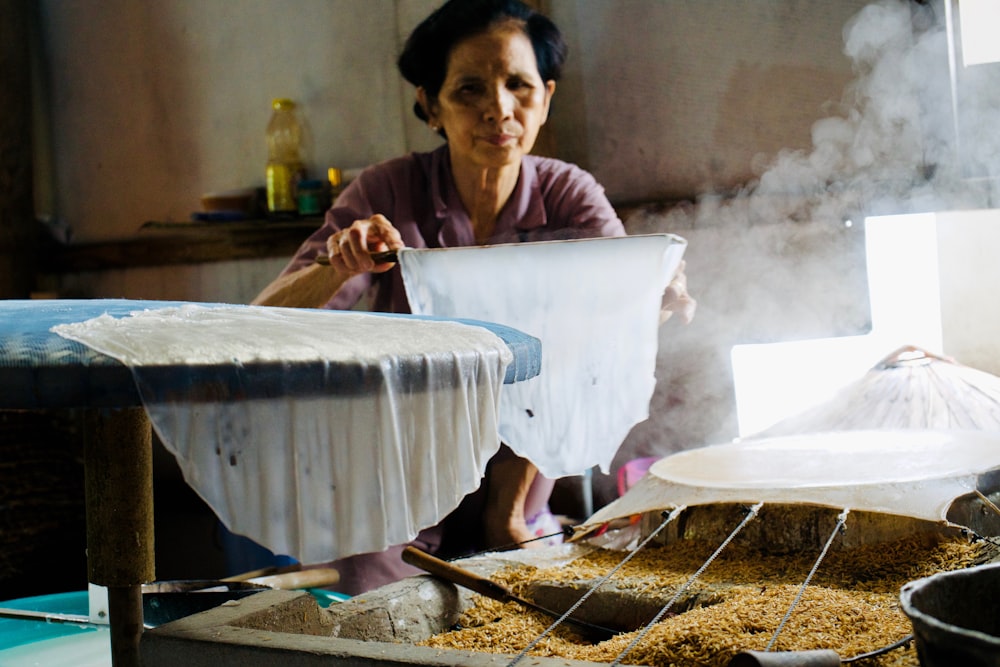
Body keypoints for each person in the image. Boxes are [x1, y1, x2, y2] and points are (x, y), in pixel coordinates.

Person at [253, 0, 695, 595]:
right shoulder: (388, 192)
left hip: (522, 477)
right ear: (430, 107)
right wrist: (339, 262)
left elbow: (611, 331)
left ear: (547, 96)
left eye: (519, 85)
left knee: (524, 599)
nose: (499, 110)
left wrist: (652, 297)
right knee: (374, 604)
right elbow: (261, 323)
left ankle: (510, 516)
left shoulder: (569, 196)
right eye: (469, 91)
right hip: (401, 480)